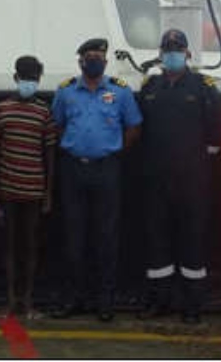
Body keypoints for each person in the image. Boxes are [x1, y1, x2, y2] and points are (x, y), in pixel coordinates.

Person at [135, 29, 221, 324]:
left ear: (187, 53)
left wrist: (199, 163)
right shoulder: (150, 86)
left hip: (192, 180)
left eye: (177, 48)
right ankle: (159, 301)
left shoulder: (202, 85)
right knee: (156, 240)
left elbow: (215, 126)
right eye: (167, 49)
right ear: (160, 54)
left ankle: (192, 304)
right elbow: (140, 128)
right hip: (155, 179)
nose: (172, 53)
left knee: (192, 240)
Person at [50, 38, 142, 323]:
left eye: (99, 56)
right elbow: (58, 124)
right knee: (73, 237)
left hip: (107, 170)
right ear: (80, 61)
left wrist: (112, 151)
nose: (95, 61)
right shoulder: (65, 91)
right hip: (73, 169)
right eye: (90, 56)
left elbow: (134, 126)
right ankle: (73, 299)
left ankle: (105, 301)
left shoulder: (120, 91)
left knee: (106, 237)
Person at [0, 55, 58, 320]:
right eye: (25, 78)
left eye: (33, 79)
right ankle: (10, 300)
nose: (29, 83)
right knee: (8, 245)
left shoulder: (44, 111)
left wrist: (49, 193)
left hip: (34, 190)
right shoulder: (1, 109)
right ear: (16, 78)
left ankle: (27, 300)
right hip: (7, 188)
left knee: (30, 246)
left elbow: (50, 154)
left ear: (38, 81)